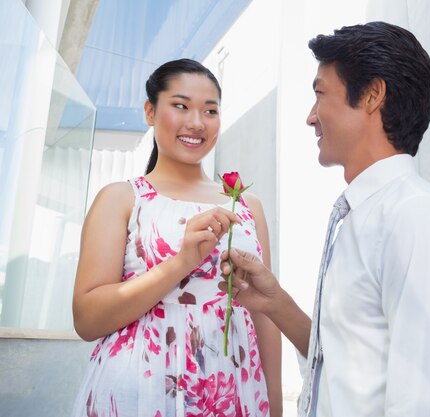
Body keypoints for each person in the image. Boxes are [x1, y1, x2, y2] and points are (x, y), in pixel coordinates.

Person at [219, 22, 430, 417]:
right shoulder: (364, 216)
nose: (310, 117)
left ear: (372, 96)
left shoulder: (418, 220)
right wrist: (275, 302)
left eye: (320, 94)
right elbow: (348, 367)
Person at [71, 59, 282, 417]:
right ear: (150, 111)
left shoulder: (247, 205)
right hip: (140, 390)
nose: (196, 123)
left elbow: (264, 311)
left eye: (210, 110)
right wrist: (181, 262)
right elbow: (87, 320)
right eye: (180, 106)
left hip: (233, 389)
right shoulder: (122, 198)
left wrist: (274, 402)